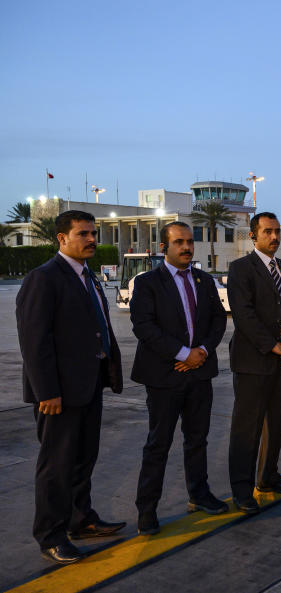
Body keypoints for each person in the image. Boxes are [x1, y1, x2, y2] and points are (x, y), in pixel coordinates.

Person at [16, 210, 125, 564]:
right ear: (62, 239)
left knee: (83, 458)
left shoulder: (87, 277)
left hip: (89, 384)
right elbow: (35, 341)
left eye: (93, 233)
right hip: (58, 392)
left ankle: (81, 519)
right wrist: (46, 390)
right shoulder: (44, 278)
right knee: (57, 465)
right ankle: (50, 534)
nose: (91, 239)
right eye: (83, 234)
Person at [130, 222, 228, 535]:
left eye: (189, 242)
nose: (186, 247)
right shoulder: (147, 282)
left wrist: (200, 351)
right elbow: (144, 327)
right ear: (164, 248)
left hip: (200, 374)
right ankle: (147, 510)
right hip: (164, 376)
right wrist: (182, 353)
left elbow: (217, 321)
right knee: (158, 444)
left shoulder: (204, 280)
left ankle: (199, 495)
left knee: (197, 440)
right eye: (179, 242)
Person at [226, 212, 281, 514]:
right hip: (253, 362)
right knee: (247, 428)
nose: (274, 237)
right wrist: (274, 345)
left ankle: (268, 476)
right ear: (253, 236)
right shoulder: (241, 269)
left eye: (277, 231)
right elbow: (244, 315)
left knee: (276, 423)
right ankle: (242, 489)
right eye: (268, 232)